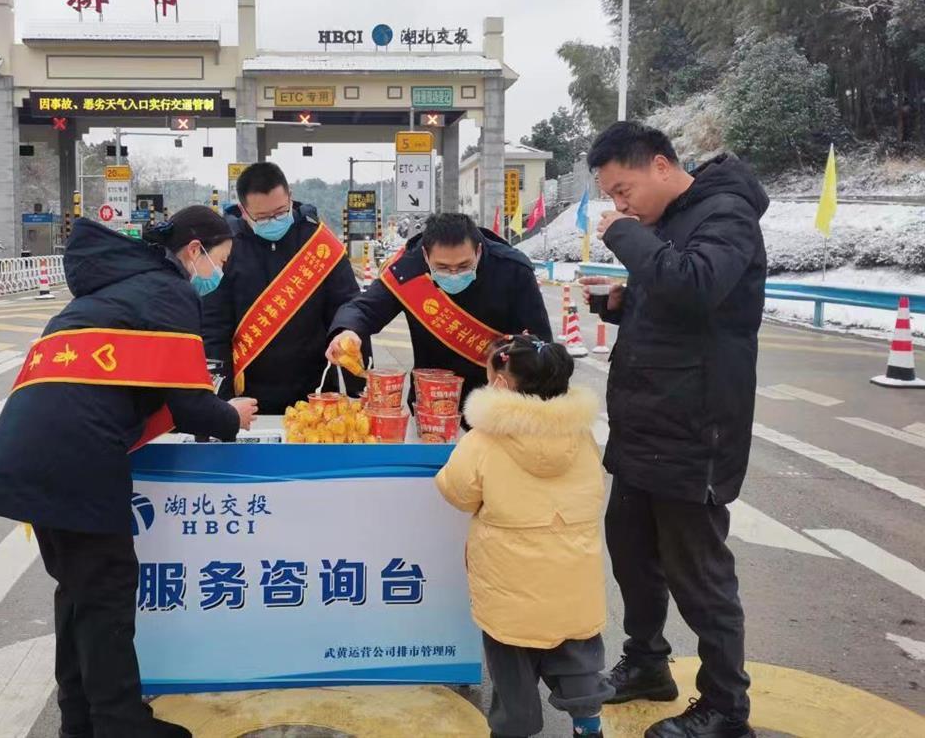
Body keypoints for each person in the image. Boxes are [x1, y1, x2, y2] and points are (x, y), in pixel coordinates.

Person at [0, 207, 258, 738]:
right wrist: (231, 416)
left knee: (79, 592)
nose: (218, 273)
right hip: (76, 455)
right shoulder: (169, 292)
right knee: (105, 593)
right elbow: (192, 404)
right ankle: (121, 725)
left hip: (28, 450)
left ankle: (81, 720)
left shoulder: (112, 291)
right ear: (195, 251)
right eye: (220, 260)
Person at [582, 122, 767, 738]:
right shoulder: (670, 219)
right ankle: (646, 663)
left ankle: (725, 708)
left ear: (661, 166)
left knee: (699, 574)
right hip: (645, 426)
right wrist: (621, 301)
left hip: (695, 428)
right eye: (611, 196)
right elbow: (669, 295)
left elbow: (696, 286)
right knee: (632, 555)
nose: (620, 205)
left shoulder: (726, 212)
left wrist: (625, 235)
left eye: (623, 190)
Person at [436, 335, 611, 738]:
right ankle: (588, 724)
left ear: (500, 383)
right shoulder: (581, 436)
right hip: (573, 582)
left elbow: (457, 492)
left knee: (512, 668)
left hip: (509, 589)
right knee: (578, 658)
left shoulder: (484, 439)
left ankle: (513, 728)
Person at [327, 212, 551, 406]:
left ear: (479, 251)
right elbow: (364, 308)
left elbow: (540, 342)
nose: (454, 273)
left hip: (498, 400)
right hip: (431, 400)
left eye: (464, 265)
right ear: (425, 256)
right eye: (442, 267)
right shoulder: (409, 270)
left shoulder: (512, 269)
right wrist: (347, 331)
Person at [202, 162, 368, 413]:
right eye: (263, 217)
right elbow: (214, 328)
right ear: (243, 210)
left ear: (290, 196)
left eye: (280, 212)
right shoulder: (227, 248)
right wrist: (222, 404)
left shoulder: (318, 242)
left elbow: (348, 308)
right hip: (248, 397)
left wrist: (359, 389)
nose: (274, 221)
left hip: (315, 390)